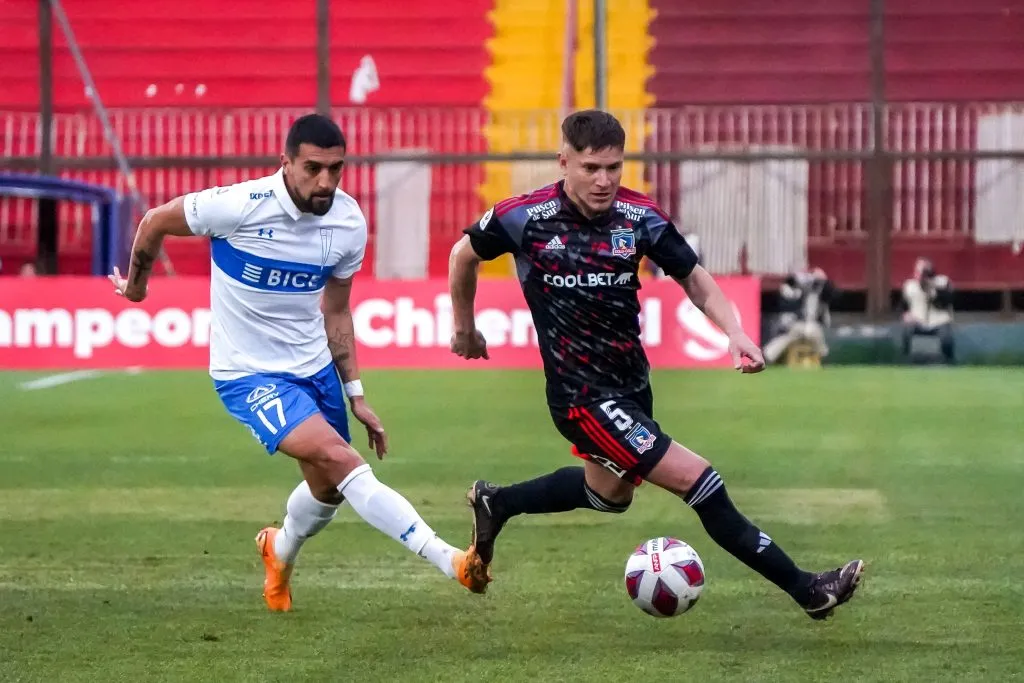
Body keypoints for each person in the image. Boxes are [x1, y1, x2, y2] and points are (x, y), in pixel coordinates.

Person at [447, 109, 864, 620]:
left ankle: (498, 502)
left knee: (609, 495)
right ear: (564, 163)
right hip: (581, 397)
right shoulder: (524, 217)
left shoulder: (638, 216)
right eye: (591, 168)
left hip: (630, 385)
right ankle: (809, 590)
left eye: (614, 168)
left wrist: (734, 332)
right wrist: (464, 328)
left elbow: (695, 278)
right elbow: (463, 254)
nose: (604, 180)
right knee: (700, 481)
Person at [108, 113, 489, 611]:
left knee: (328, 491)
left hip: (314, 369)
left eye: (337, 169)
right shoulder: (239, 206)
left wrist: (355, 393)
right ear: (285, 163)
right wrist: (137, 285)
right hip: (249, 374)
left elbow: (335, 309)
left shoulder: (348, 222)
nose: (326, 181)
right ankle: (453, 560)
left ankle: (279, 548)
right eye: (313, 168)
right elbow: (156, 220)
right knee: (341, 460)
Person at [763, 267, 834, 365]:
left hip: (815, 326)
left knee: (811, 330)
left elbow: (831, 292)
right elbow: (790, 290)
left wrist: (822, 279)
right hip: (799, 324)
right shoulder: (802, 290)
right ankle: (768, 356)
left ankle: (824, 356)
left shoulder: (823, 292)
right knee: (787, 337)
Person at [900, 257, 954, 363]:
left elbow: (946, 301)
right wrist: (906, 314)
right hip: (917, 320)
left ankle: (949, 361)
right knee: (906, 330)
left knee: (946, 338)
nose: (921, 276)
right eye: (919, 272)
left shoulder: (942, 282)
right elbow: (903, 305)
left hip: (939, 321)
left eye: (924, 272)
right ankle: (905, 358)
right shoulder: (909, 286)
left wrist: (933, 288)